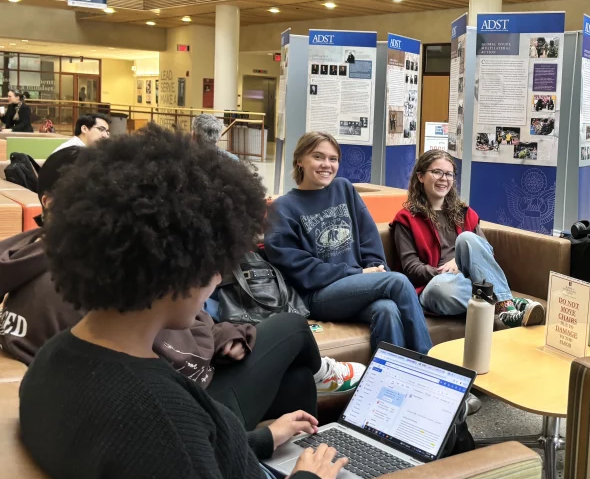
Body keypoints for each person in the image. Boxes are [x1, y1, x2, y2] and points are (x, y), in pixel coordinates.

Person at [19, 127, 350, 479]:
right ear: (180, 268)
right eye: (216, 267)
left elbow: (195, 452)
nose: (215, 281)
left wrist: (263, 438)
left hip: (242, 464)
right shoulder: (160, 413)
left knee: (293, 380)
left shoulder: (52, 360)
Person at [1, 144, 364, 421]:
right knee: (291, 328)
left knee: (297, 378)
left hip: (193, 382)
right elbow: (165, 376)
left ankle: (308, 396)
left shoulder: (50, 265)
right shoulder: (90, 283)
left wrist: (226, 336)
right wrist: (264, 444)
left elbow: (178, 335)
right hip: (191, 401)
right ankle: (319, 380)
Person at [265, 132, 432, 355]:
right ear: (299, 161)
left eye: (333, 159)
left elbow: (369, 238)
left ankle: (389, 384)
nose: (327, 165)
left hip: (356, 287)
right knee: (398, 282)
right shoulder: (283, 208)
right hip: (317, 295)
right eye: (318, 157)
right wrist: (358, 273)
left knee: (387, 310)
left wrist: (375, 268)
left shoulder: (343, 189)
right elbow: (300, 270)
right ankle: (433, 368)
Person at [391, 149, 545, 326]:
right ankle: (505, 303)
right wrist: (443, 272)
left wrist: (458, 262)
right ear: (421, 177)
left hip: (470, 278)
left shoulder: (465, 213)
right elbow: (411, 267)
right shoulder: (405, 219)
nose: (444, 178)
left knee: (467, 238)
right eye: (436, 172)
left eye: (449, 174)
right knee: (440, 289)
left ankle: (504, 305)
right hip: (437, 285)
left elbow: (486, 254)